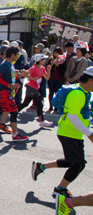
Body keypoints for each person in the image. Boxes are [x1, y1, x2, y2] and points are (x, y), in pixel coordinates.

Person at [31, 67, 93, 200]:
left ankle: (40, 167)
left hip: (72, 133)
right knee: (78, 164)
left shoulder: (83, 91)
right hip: (69, 133)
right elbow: (73, 117)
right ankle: (60, 190)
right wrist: (89, 133)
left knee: (72, 161)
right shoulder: (78, 94)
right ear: (90, 80)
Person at [17, 54, 52, 127]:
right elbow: (24, 74)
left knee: (25, 104)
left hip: (35, 88)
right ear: (39, 60)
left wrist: (49, 70)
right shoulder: (33, 68)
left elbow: (47, 78)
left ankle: (13, 113)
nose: (44, 61)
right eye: (43, 59)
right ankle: (42, 122)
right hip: (31, 88)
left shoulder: (42, 68)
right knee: (40, 104)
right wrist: (32, 78)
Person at [47, 47, 66, 113]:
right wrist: (51, 65)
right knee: (51, 92)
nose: (56, 54)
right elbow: (48, 67)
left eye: (58, 53)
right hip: (51, 78)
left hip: (59, 78)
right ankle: (50, 106)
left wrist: (59, 66)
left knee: (57, 93)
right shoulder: (51, 59)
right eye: (55, 53)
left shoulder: (63, 60)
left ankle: (56, 106)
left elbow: (64, 70)